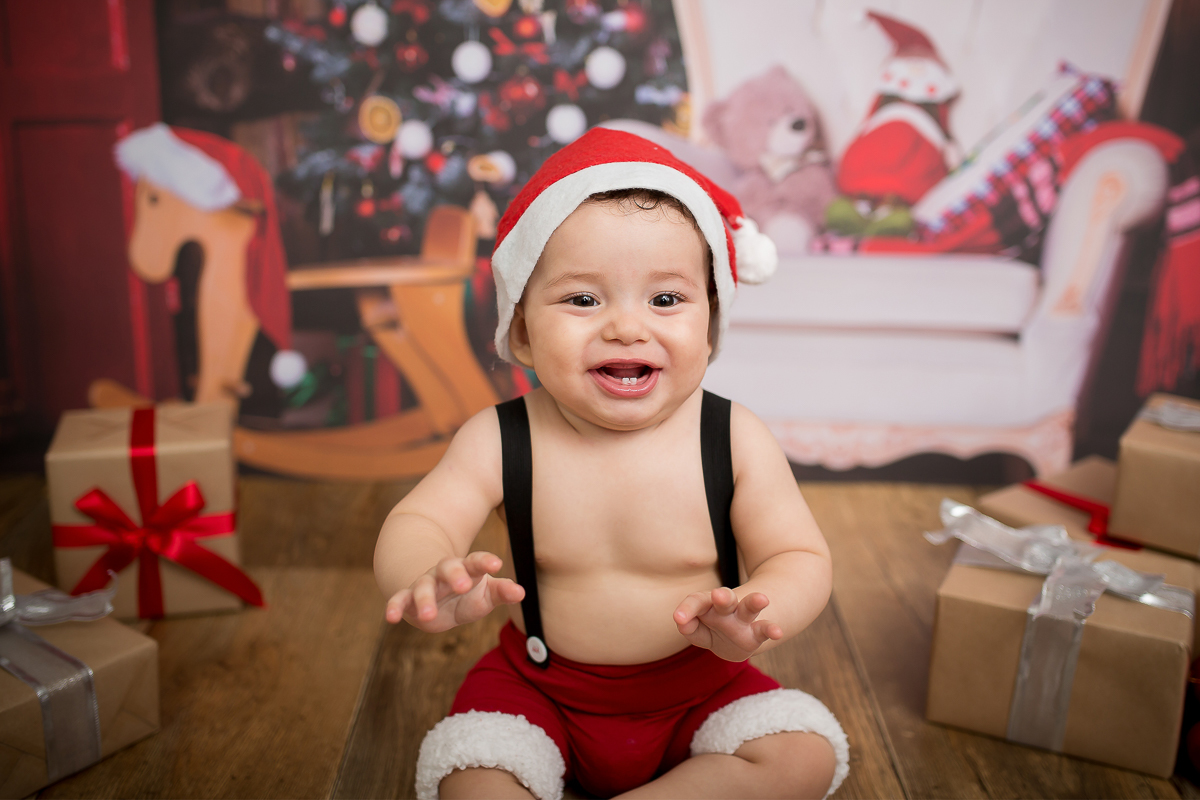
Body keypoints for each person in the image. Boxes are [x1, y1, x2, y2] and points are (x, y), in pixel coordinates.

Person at [374, 128, 848, 800]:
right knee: (470, 779)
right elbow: (421, 519)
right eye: (583, 299)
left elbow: (799, 555)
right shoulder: (500, 438)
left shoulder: (733, 437)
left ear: (711, 324)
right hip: (538, 688)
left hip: (701, 688)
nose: (626, 327)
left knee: (802, 755)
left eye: (665, 299)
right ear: (521, 332)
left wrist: (759, 613)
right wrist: (425, 575)